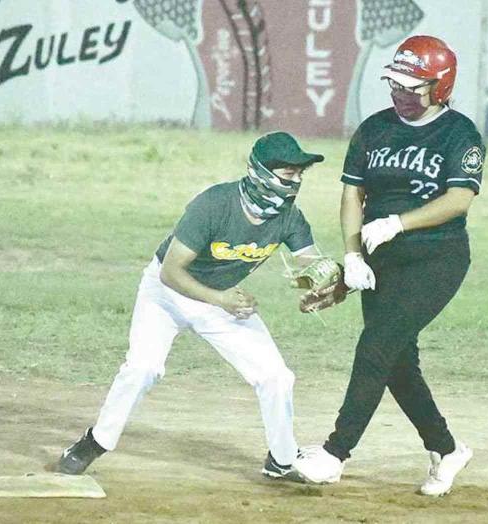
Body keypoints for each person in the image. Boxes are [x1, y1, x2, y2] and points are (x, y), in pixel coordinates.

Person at [56, 132, 326, 480]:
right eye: (289, 173)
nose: (297, 181)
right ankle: (94, 443)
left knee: (276, 377)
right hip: (166, 294)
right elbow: (171, 272)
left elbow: (312, 261)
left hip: (220, 300)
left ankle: (282, 459)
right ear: (262, 172)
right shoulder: (215, 204)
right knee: (143, 367)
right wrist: (221, 299)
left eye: (300, 174)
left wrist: (328, 280)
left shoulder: (288, 217)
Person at [293, 35, 486, 496]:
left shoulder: (459, 133)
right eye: (395, 85)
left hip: (436, 259)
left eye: (411, 87)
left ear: (440, 88)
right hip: (382, 262)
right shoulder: (374, 129)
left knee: (375, 348)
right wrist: (352, 255)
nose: (400, 94)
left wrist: (399, 222)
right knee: (397, 363)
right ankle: (447, 448)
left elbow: (459, 199)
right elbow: (352, 194)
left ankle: (335, 454)